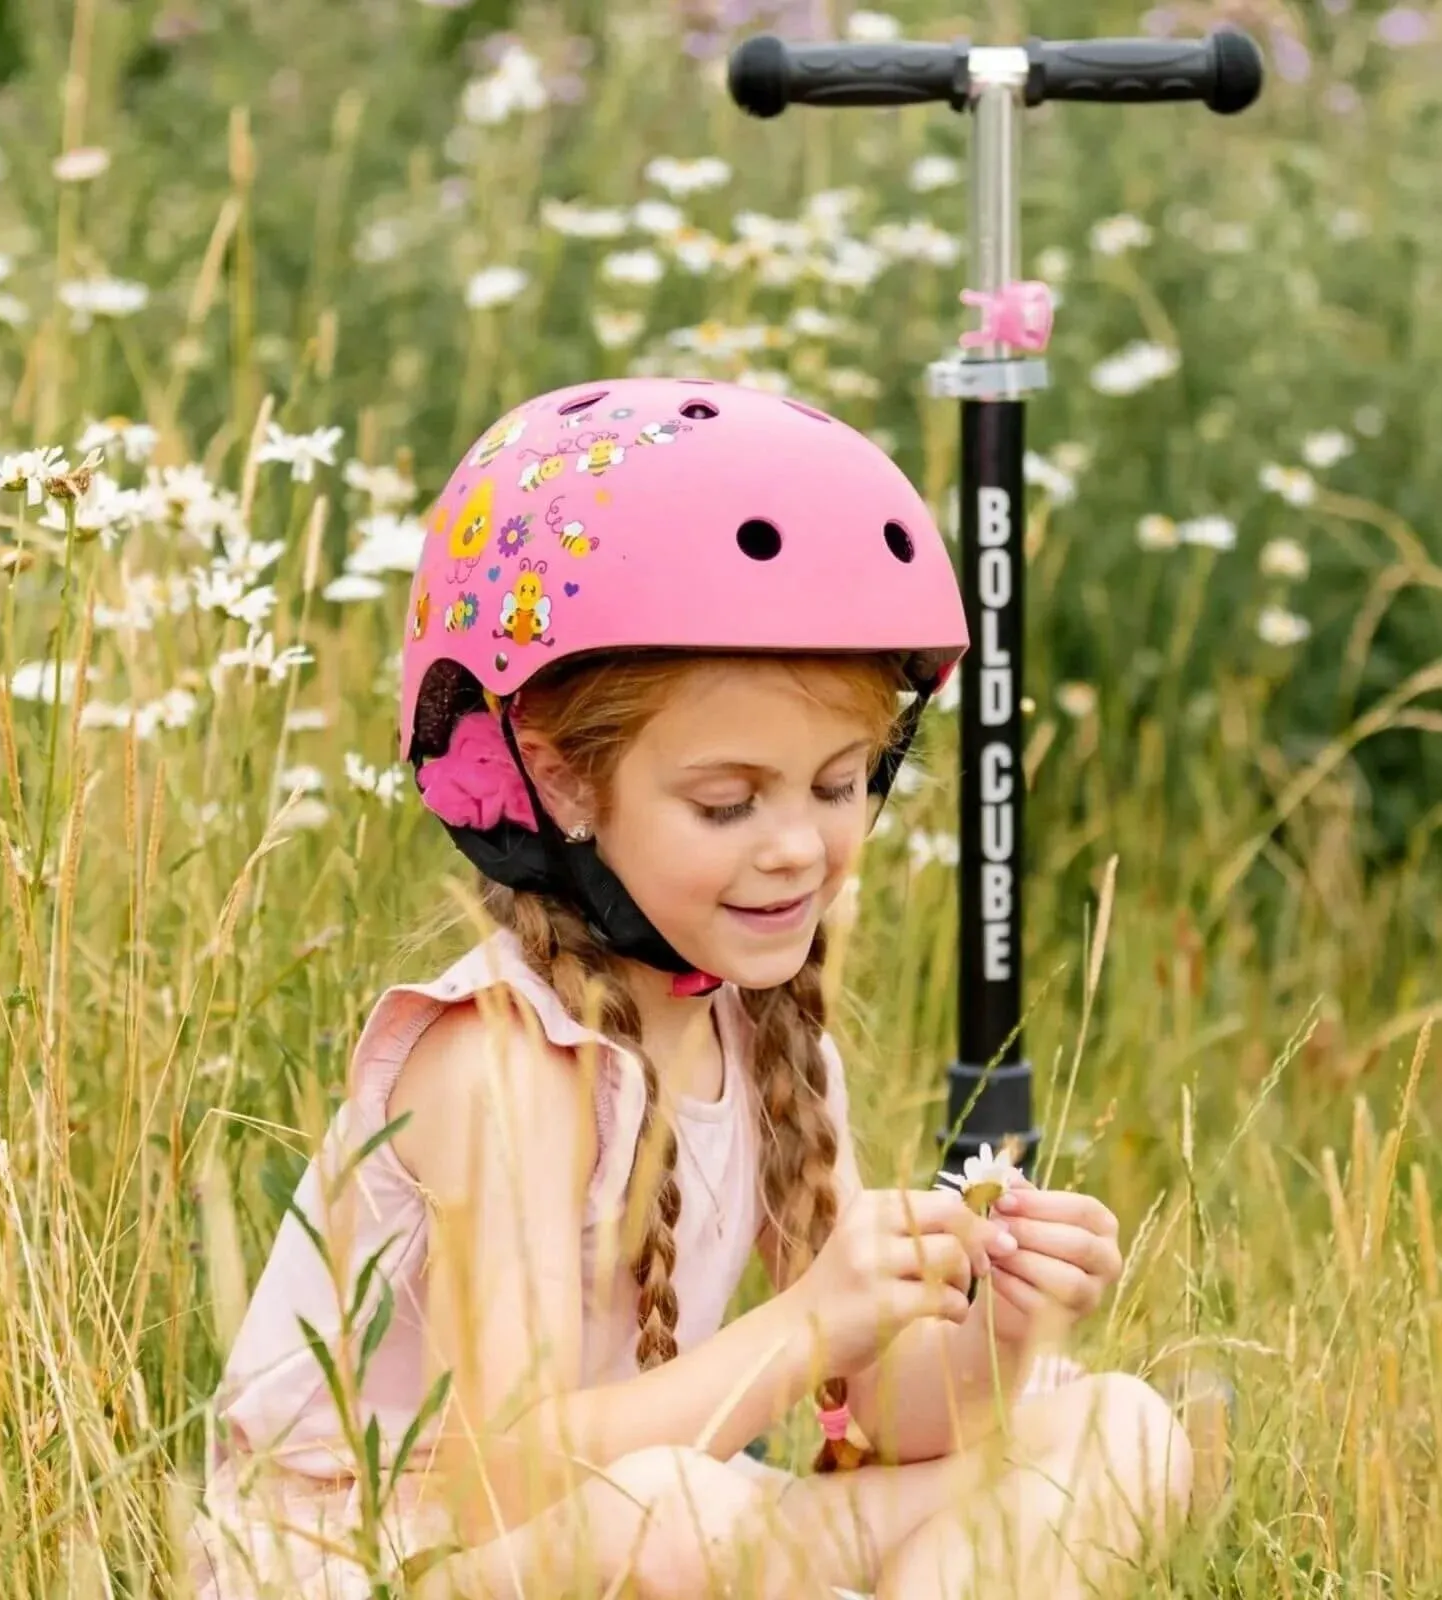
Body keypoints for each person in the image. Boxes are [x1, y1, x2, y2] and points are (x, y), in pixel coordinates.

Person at [191, 378, 1193, 1600]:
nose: (795, 847)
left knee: (1118, 1429)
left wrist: (1001, 1326)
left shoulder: (767, 1034)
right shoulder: (501, 1062)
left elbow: (874, 1418)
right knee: (675, 1506)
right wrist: (800, 1325)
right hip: (383, 1556)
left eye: (840, 784)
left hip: (646, 1526)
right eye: (727, 802)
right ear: (560, 783)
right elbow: (499, 1475)